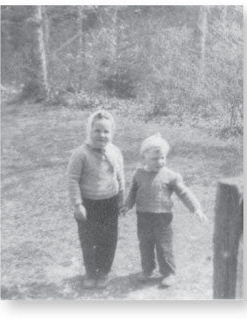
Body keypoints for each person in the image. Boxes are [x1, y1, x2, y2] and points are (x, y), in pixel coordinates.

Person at [119, 133, 205, 288]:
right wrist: (127, 205)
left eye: (163, 158)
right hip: (143, 216)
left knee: (164, 245)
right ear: (144, 158)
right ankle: (147, 269)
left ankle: (169, 272)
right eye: (154, 158)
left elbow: (184, 193)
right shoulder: (139, 174)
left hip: (163, 218)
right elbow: (133, 192)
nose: (159, 162)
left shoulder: (171, 176)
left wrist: (196, 208)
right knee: (145, 244)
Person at [66, 110, 126, 289]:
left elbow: (120, 176)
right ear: (89, 131)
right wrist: (78, 204)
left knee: (108, 239)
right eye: (97, 131)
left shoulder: (115, 152)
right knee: (89, 240)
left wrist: (121, 200)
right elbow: (72, 179)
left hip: (110, 202)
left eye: (106, 131)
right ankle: (91, 272)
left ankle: (104, 272)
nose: (102, 135)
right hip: (88, 204)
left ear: (112, 133)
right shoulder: (81, 153)